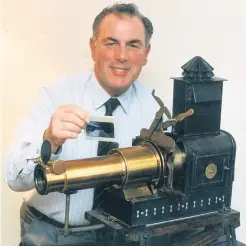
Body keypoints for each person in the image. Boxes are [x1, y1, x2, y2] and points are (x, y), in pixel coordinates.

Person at [3, 3, 163, 246]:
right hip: (53, 235)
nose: (122, 55)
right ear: (93, 47)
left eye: (133, 44)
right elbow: (14, 179)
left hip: (122, 238)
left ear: (146, 53)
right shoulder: (55, 95)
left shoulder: (156, 110)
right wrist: (49, 140)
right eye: (111, 43)